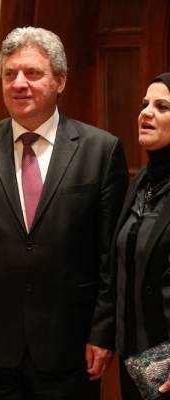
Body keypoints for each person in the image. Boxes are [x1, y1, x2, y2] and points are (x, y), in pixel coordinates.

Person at [0, 26, 129, 399]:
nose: (19, 84)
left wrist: (102, 331)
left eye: (32, 73)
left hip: (71, 344)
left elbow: (111, 256)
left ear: (60, 80)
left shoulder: (101, 150)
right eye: (9, 74)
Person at [114, 72, 170, 399]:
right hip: (138, 360)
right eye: (144, 104)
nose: (146, 112)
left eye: (162, 107)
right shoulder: (141, 183)